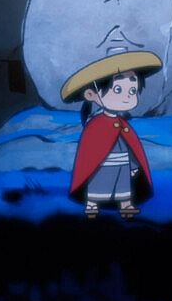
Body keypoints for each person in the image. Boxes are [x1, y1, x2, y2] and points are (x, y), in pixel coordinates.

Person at [64, 50, 161, 218]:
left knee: (123, 186)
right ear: (91, 94)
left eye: (132, 91)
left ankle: (126, 205)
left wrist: (134, 167)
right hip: (102, 167)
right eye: (118, 89)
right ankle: (92, 204)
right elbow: (88, 156)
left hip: (123, 165)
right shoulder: (95, 126)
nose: (127, 96)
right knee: (98, 185)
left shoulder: (123, 125)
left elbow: (131, 149)